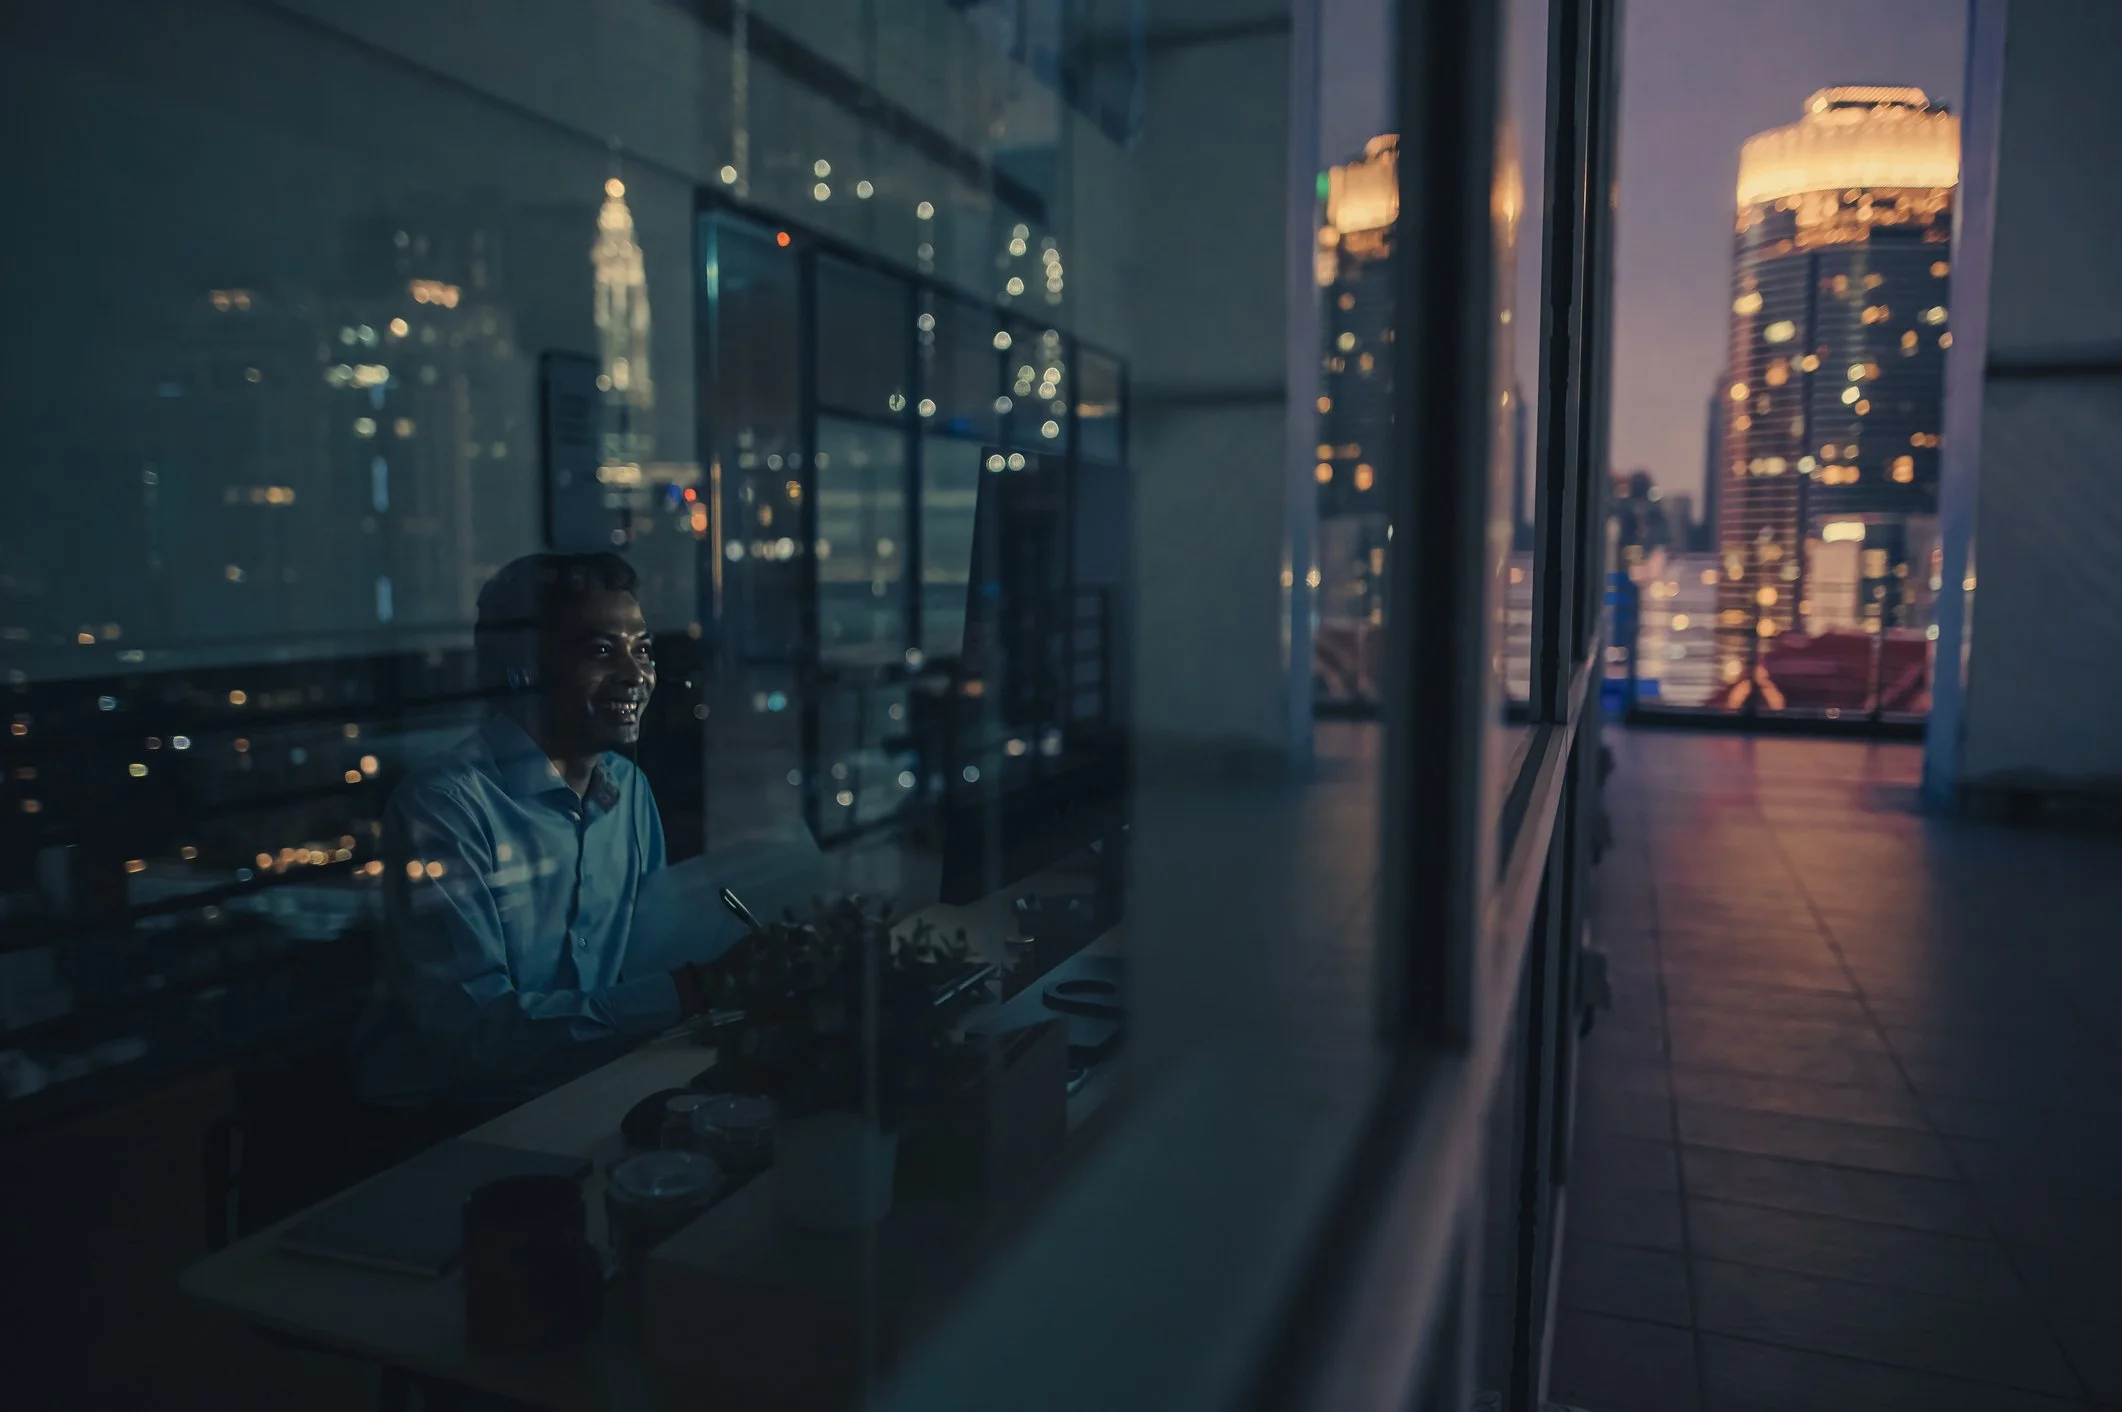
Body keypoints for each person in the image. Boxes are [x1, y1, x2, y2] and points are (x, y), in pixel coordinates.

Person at [350, 553, 717, 1116]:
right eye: (600, 651)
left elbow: (648, 959)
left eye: (642, 649)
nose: (635, 674)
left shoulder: (629, 790)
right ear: (523, 669)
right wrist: (688, 991)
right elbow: (477, 1035)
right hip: (449, 1125)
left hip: (587, 1092)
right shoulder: (446, 807)